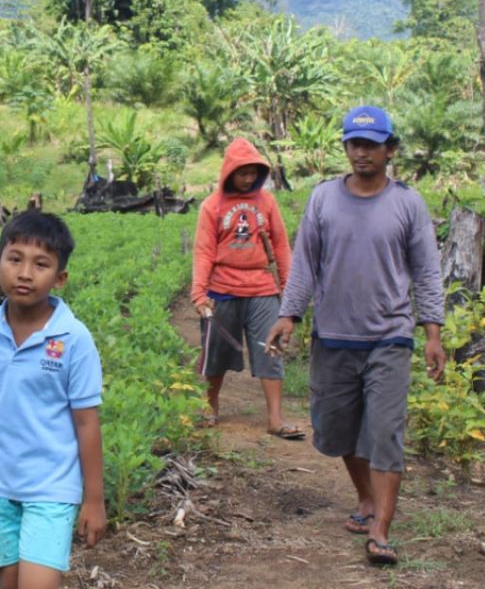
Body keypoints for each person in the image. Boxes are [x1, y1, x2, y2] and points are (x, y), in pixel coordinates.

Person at [264, 105, 446, 567]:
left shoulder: (408, 203)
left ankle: (381, 529)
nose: (361, 152)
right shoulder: (324, 198)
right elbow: (305, 262)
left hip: (390, 337)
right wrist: (290, 315)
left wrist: (432, 334)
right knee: (338, 430)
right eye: (353, 143)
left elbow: (427, 272)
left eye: (371, 144)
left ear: (391, 149)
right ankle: (366, 499)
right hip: (334, 336)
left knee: (385, 433)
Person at [0, 211, 107, 589]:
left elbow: (86, 422)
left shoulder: (74, 339)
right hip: (0, 486)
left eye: (40, 264)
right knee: (8, 582)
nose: (25, 273)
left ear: (60, 279)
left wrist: (94, 500)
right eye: (15, 260)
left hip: (52, 488)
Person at [190, 137, 302, 439]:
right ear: (229, 172)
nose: (249, 178)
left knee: (271, 349)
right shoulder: (211, 206)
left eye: (253, 172)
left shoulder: (267, 202)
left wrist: (287, 292)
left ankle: (275, 417)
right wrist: (199, 293)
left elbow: (280, 244)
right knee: (216, 351)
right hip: (222, 289)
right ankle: (210, 405)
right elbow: (203, 251)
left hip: (261, 287)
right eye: (243, 172)